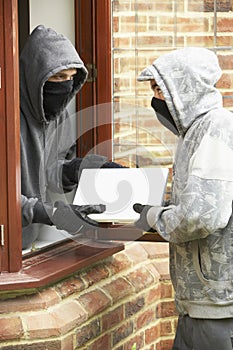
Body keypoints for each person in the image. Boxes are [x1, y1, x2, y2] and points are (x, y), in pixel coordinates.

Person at [133, 47, 233, 349]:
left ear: (183, 89)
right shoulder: (194, 131)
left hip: (218, 306)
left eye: (160, 90)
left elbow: (202, 214)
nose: (155, 100)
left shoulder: (215, 128)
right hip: (200, 303)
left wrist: (154, 217)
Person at [20, 25, 123, 249]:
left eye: (70, 77)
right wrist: (53, 213)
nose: (65, 85)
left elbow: (50, 170)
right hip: (5, 249)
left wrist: (83, 168)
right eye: (57, 76)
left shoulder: (58, 114)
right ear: (35, 76)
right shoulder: (6, 118)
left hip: (27, 243)